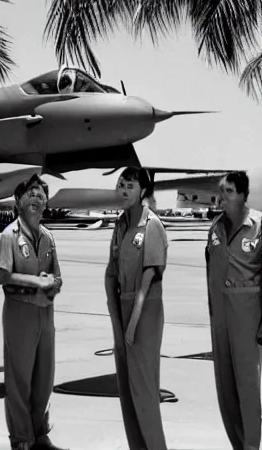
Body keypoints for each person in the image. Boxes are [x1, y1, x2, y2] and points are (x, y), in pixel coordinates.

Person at [0, 174, 66, 450]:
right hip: (20, 314)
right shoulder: (9, 235)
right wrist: (37, 282)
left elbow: (57, 276)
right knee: (19, 379)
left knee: (44, 378)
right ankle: (22, 438)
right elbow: (1, 275)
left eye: (40, 194)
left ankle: (40, 434)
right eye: (30, 193)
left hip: (46, 313)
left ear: (46, 203)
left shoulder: (48, 236)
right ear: (18, 201)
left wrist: (53, 285)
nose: (36, 198)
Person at [104, 166, 168, 450]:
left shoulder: (151, 225)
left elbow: (148, 279)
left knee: (144, 391)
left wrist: (131, 325)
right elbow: (110, 274)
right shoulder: (120, 224)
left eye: (130, 185)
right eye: (121, 184)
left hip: (145, 311)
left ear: (143, 190)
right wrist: (117, 322)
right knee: (127, 392)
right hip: (122, 308)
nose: (124, 190)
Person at [205, 171, 262, 450]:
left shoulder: (259, 226)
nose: (221, 196)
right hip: (220, 318)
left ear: (242, 195)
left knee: (248, 387)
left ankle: (252, 445)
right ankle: (237, 445)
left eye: (228, 191)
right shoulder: (215, 228)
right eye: (220, 190)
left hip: (248, 317)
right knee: (225, 387)